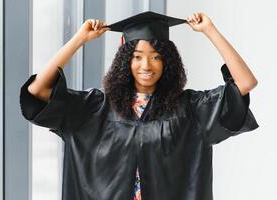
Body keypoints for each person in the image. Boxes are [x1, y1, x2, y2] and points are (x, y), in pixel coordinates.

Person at [20, 11, 259, 200]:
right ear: (125, 60)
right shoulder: (94, 109)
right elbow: (38, 91)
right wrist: (79, 39)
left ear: (168, 61)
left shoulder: (189, 109)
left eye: (156, 56)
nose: (147, 65)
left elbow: (245, 82)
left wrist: (210, 31)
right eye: (137, 56)